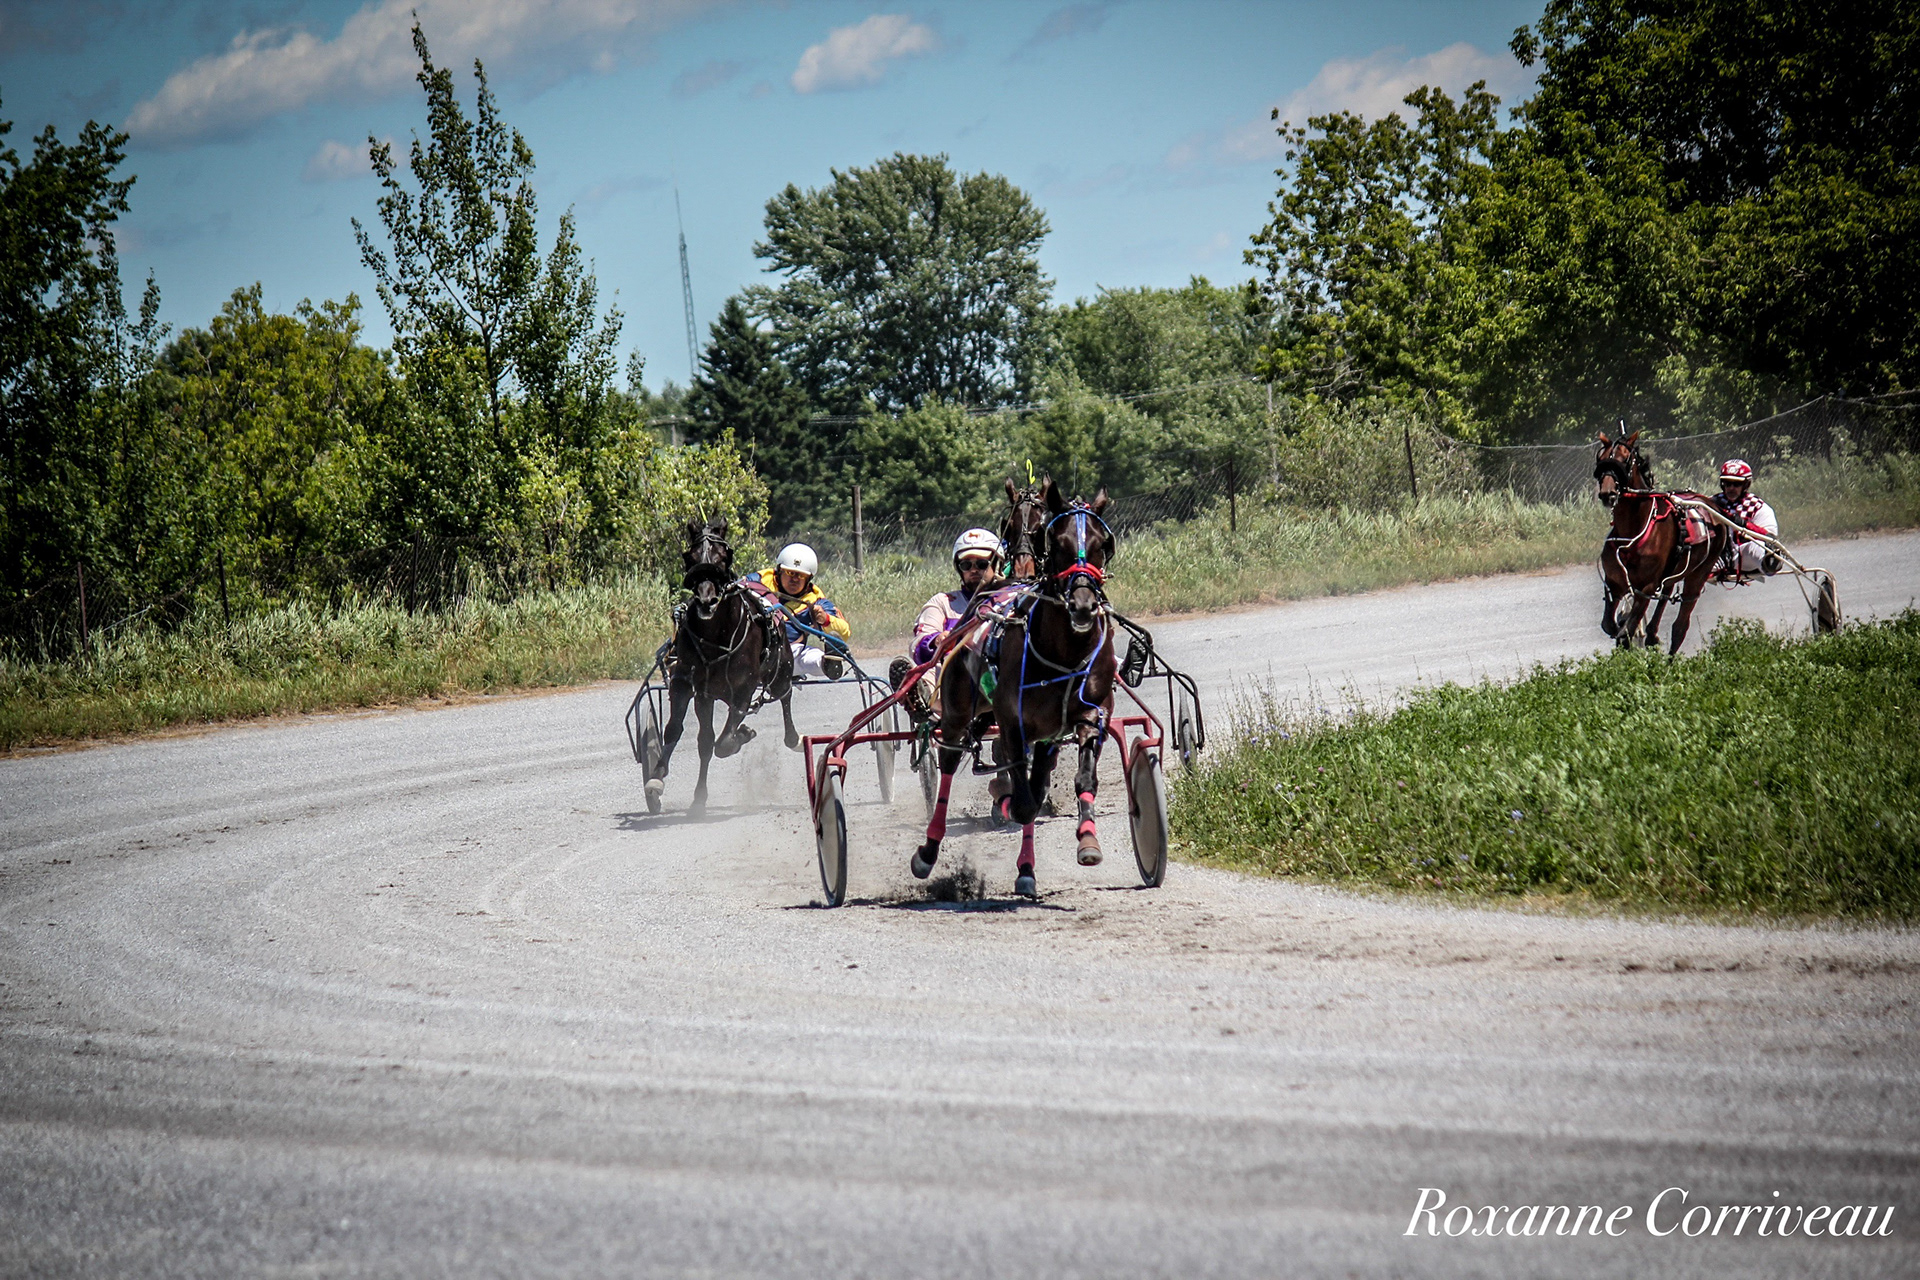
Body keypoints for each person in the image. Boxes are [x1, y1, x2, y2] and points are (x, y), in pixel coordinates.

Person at [889, 528, 1006, 720]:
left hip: (1000, 681)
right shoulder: (943, 602)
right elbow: (918, 644)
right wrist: (936, 640)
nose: (974, 570)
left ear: (997, 564)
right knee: (929, 667)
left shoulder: (1010, 601)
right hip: (954, 685)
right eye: (966, 565)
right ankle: (921, 697)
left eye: (982, 564)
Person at [753, 543, 850, 679]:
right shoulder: (760, 580)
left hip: (786, 655)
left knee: (808, 657)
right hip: (750, 650)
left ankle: (828, 664)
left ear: (809, 578)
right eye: (790, 573)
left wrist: (825, 619)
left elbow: (844, 633)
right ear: (779, 571)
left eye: (801, 576)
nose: (795, 579)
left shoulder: (816, 600)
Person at [1709, 458, 1780, 580]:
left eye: (1736, 484)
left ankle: (1770, 564)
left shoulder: (1758, 507)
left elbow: (1770, 539)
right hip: (1716, 556)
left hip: (1743, 555)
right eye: (1727, 483)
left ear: (1746, 485)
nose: (1731, 488)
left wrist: (1745, 525)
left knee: (1761, 547)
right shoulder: (1710, 503)